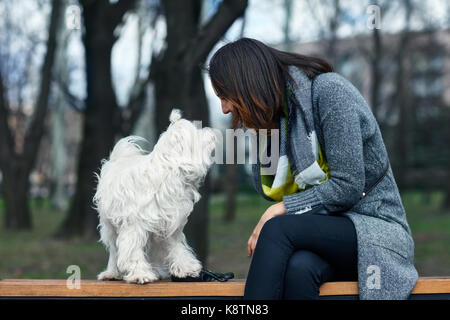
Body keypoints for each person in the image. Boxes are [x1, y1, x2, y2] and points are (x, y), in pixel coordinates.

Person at [207, 38, 418, 300]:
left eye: (225, 96)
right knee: (299, 268)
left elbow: (348, 186)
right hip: (329, 236)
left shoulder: (329, 92)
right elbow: (269, 187)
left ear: (248, 83)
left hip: (378, 231)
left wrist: (281, 209)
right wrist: (266, 133)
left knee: (277, 228)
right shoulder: (280, 119)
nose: (225, 109)